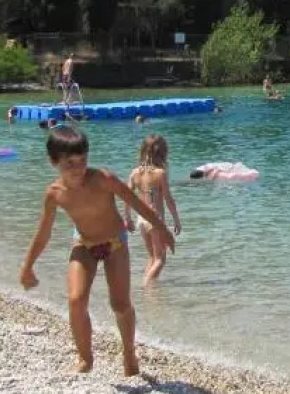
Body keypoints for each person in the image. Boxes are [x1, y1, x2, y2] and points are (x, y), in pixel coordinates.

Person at [19, 126, 175, 375]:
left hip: (115, 243)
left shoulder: (103, 179)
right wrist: (27, 266)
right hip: (84, 244)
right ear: (53, 161)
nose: (78, 168)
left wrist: (162, 229)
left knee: (120, 304)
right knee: (75, 300)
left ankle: (129, 354)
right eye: (70, 163)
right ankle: (85, 358)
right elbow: (43, 233)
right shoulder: (54, 194)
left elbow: (136, 203)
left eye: (82, 160)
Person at [129, 135, 181, 286]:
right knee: (160, 259)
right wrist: (176, 220)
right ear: (163, 153)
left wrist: (127, 217)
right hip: (155, 220)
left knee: (152, 257)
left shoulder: (135, 173)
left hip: (141, 220)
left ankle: (148, 287)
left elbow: (127, 196)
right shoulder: (160, 173)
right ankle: (147, 286)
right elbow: (168, 199)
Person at [187, 162, 259, 181]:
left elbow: (216, 169)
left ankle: (250, 175)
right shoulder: (199, 169)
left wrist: (211, 178)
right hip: (225, 167)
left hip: (226, 167)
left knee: (232, 175)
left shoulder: (206, 169)